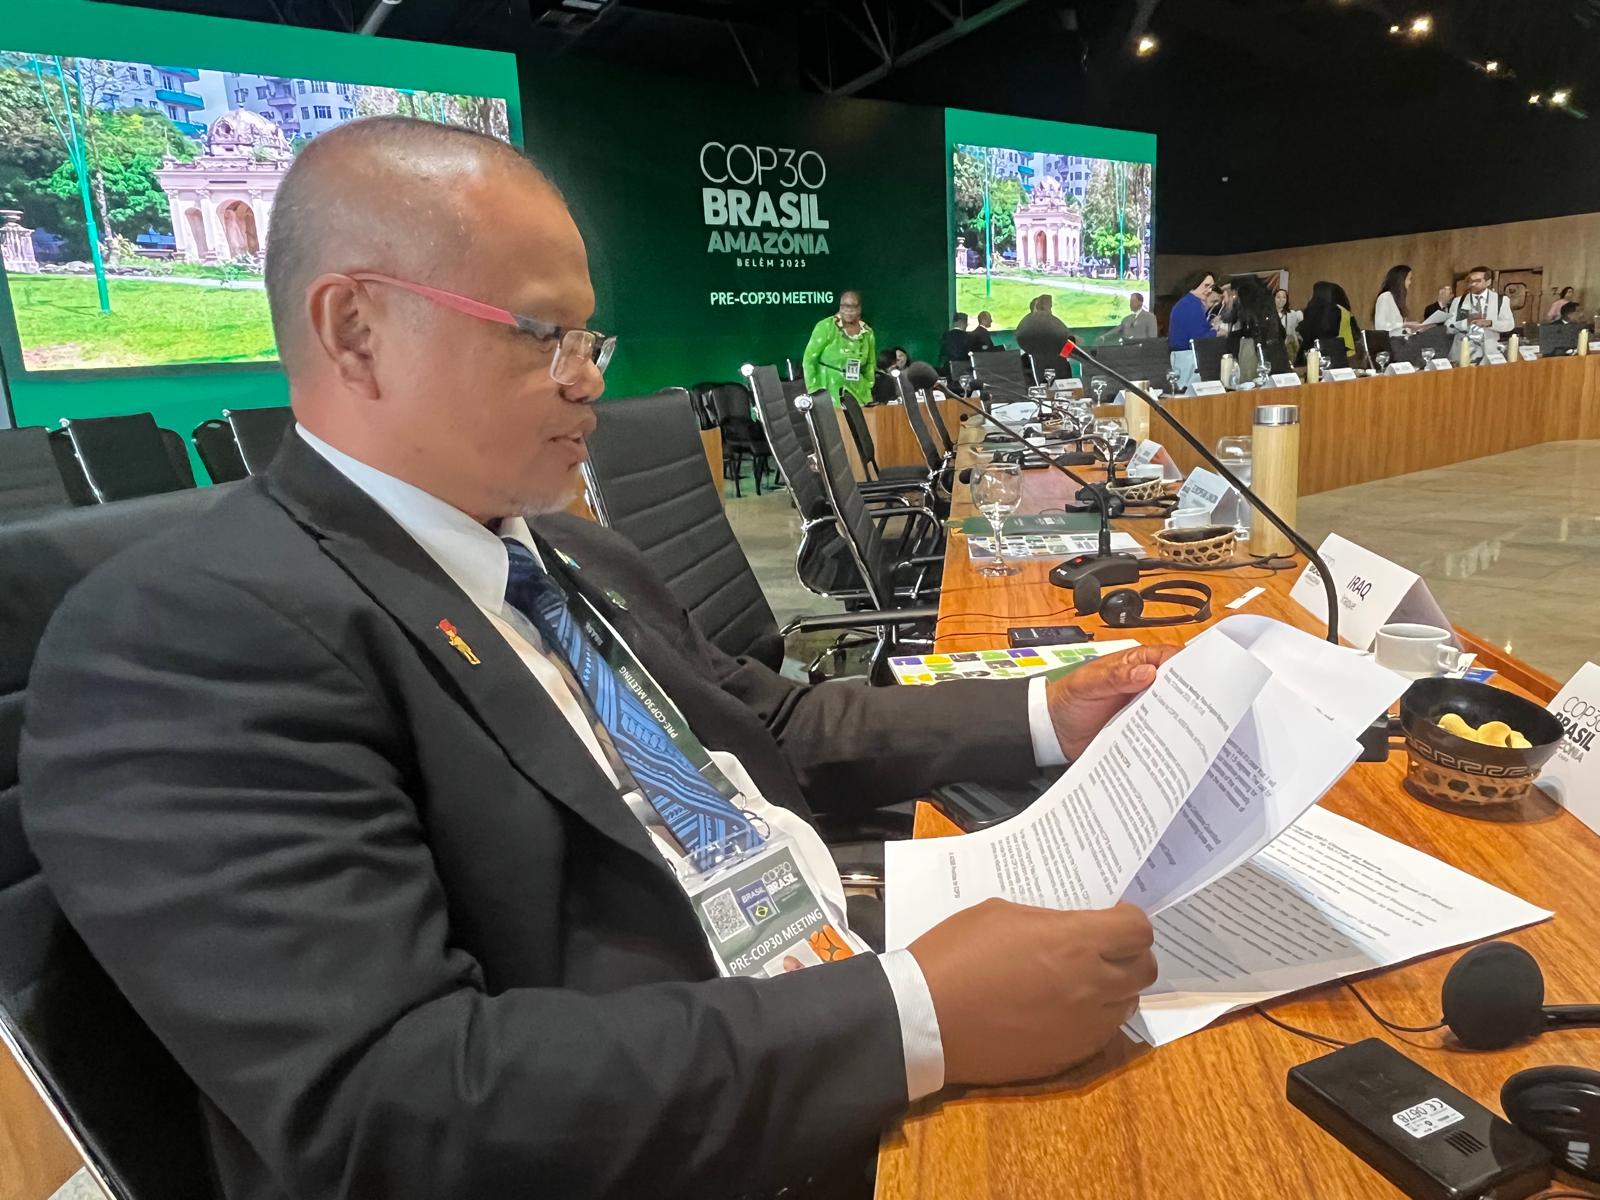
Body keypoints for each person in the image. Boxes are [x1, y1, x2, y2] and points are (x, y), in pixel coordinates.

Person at [20, 117, 1167, 1200]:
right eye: (540, 335)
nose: (587, 377)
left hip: (818, 958)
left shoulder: (563, 550)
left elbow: (770, 725)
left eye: (588, 338)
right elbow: (393, 1103)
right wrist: (912, 1015)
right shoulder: (185, 640)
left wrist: (1043, 715)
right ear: (355, 331)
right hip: (690, 1107)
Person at [803, 289, 877, 407]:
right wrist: (813, 390)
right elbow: (809, 359)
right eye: (844, 306)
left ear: (859, 309)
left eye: (852, 307)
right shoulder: (826, 326)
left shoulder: (867, 332)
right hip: (829, 392)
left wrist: (868, 386)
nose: (848, 310)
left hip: (858, 393)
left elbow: (870, 364)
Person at [1447, 265, 1515, 362]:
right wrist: (1466, 322)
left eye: (1478, 281)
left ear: (1488, 282)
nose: (1473, 284)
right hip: (1462, 353)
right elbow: (1448, 328)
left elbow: (1509, 325)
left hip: (1490, 353)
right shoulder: (1458, 301)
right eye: (1470, 281)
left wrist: (1490, 323)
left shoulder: (1500, 300)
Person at [1295, 280, 1359, 365]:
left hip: (1310, 354)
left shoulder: (1310, 309)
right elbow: (1355, 334)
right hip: (1336, 355)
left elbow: (1305, 332)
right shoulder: (1342, 311)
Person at [1014, 293, 1072, 380]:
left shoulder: (1028, 323)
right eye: (1049, 307)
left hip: (1049, 365)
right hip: (1049, 365)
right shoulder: (1048, 323)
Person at [1168, 270, 1215, 350]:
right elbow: (1199, 339)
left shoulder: (1187, 302)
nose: (1209, 290)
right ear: (1196, 283)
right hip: (1186, 354)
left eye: (1211, 287)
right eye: (1206, 285)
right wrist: (1216, 332)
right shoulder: (1191, 305)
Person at [1372, 264, 1423, 335]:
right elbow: (1380, 326)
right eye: (1409, 279)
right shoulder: (1385, 296)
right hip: (1390, 341)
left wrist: (1412, 329)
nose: (1410, 283)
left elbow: (1397, 330)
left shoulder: (1395, 299)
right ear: (1400, 280)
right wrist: (1405, 324)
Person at [938, 313, 973, 378]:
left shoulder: (945, 335)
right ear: (963, 323)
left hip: (947, 371)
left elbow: (942, 354)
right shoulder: (968, 337)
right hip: (964, 372)